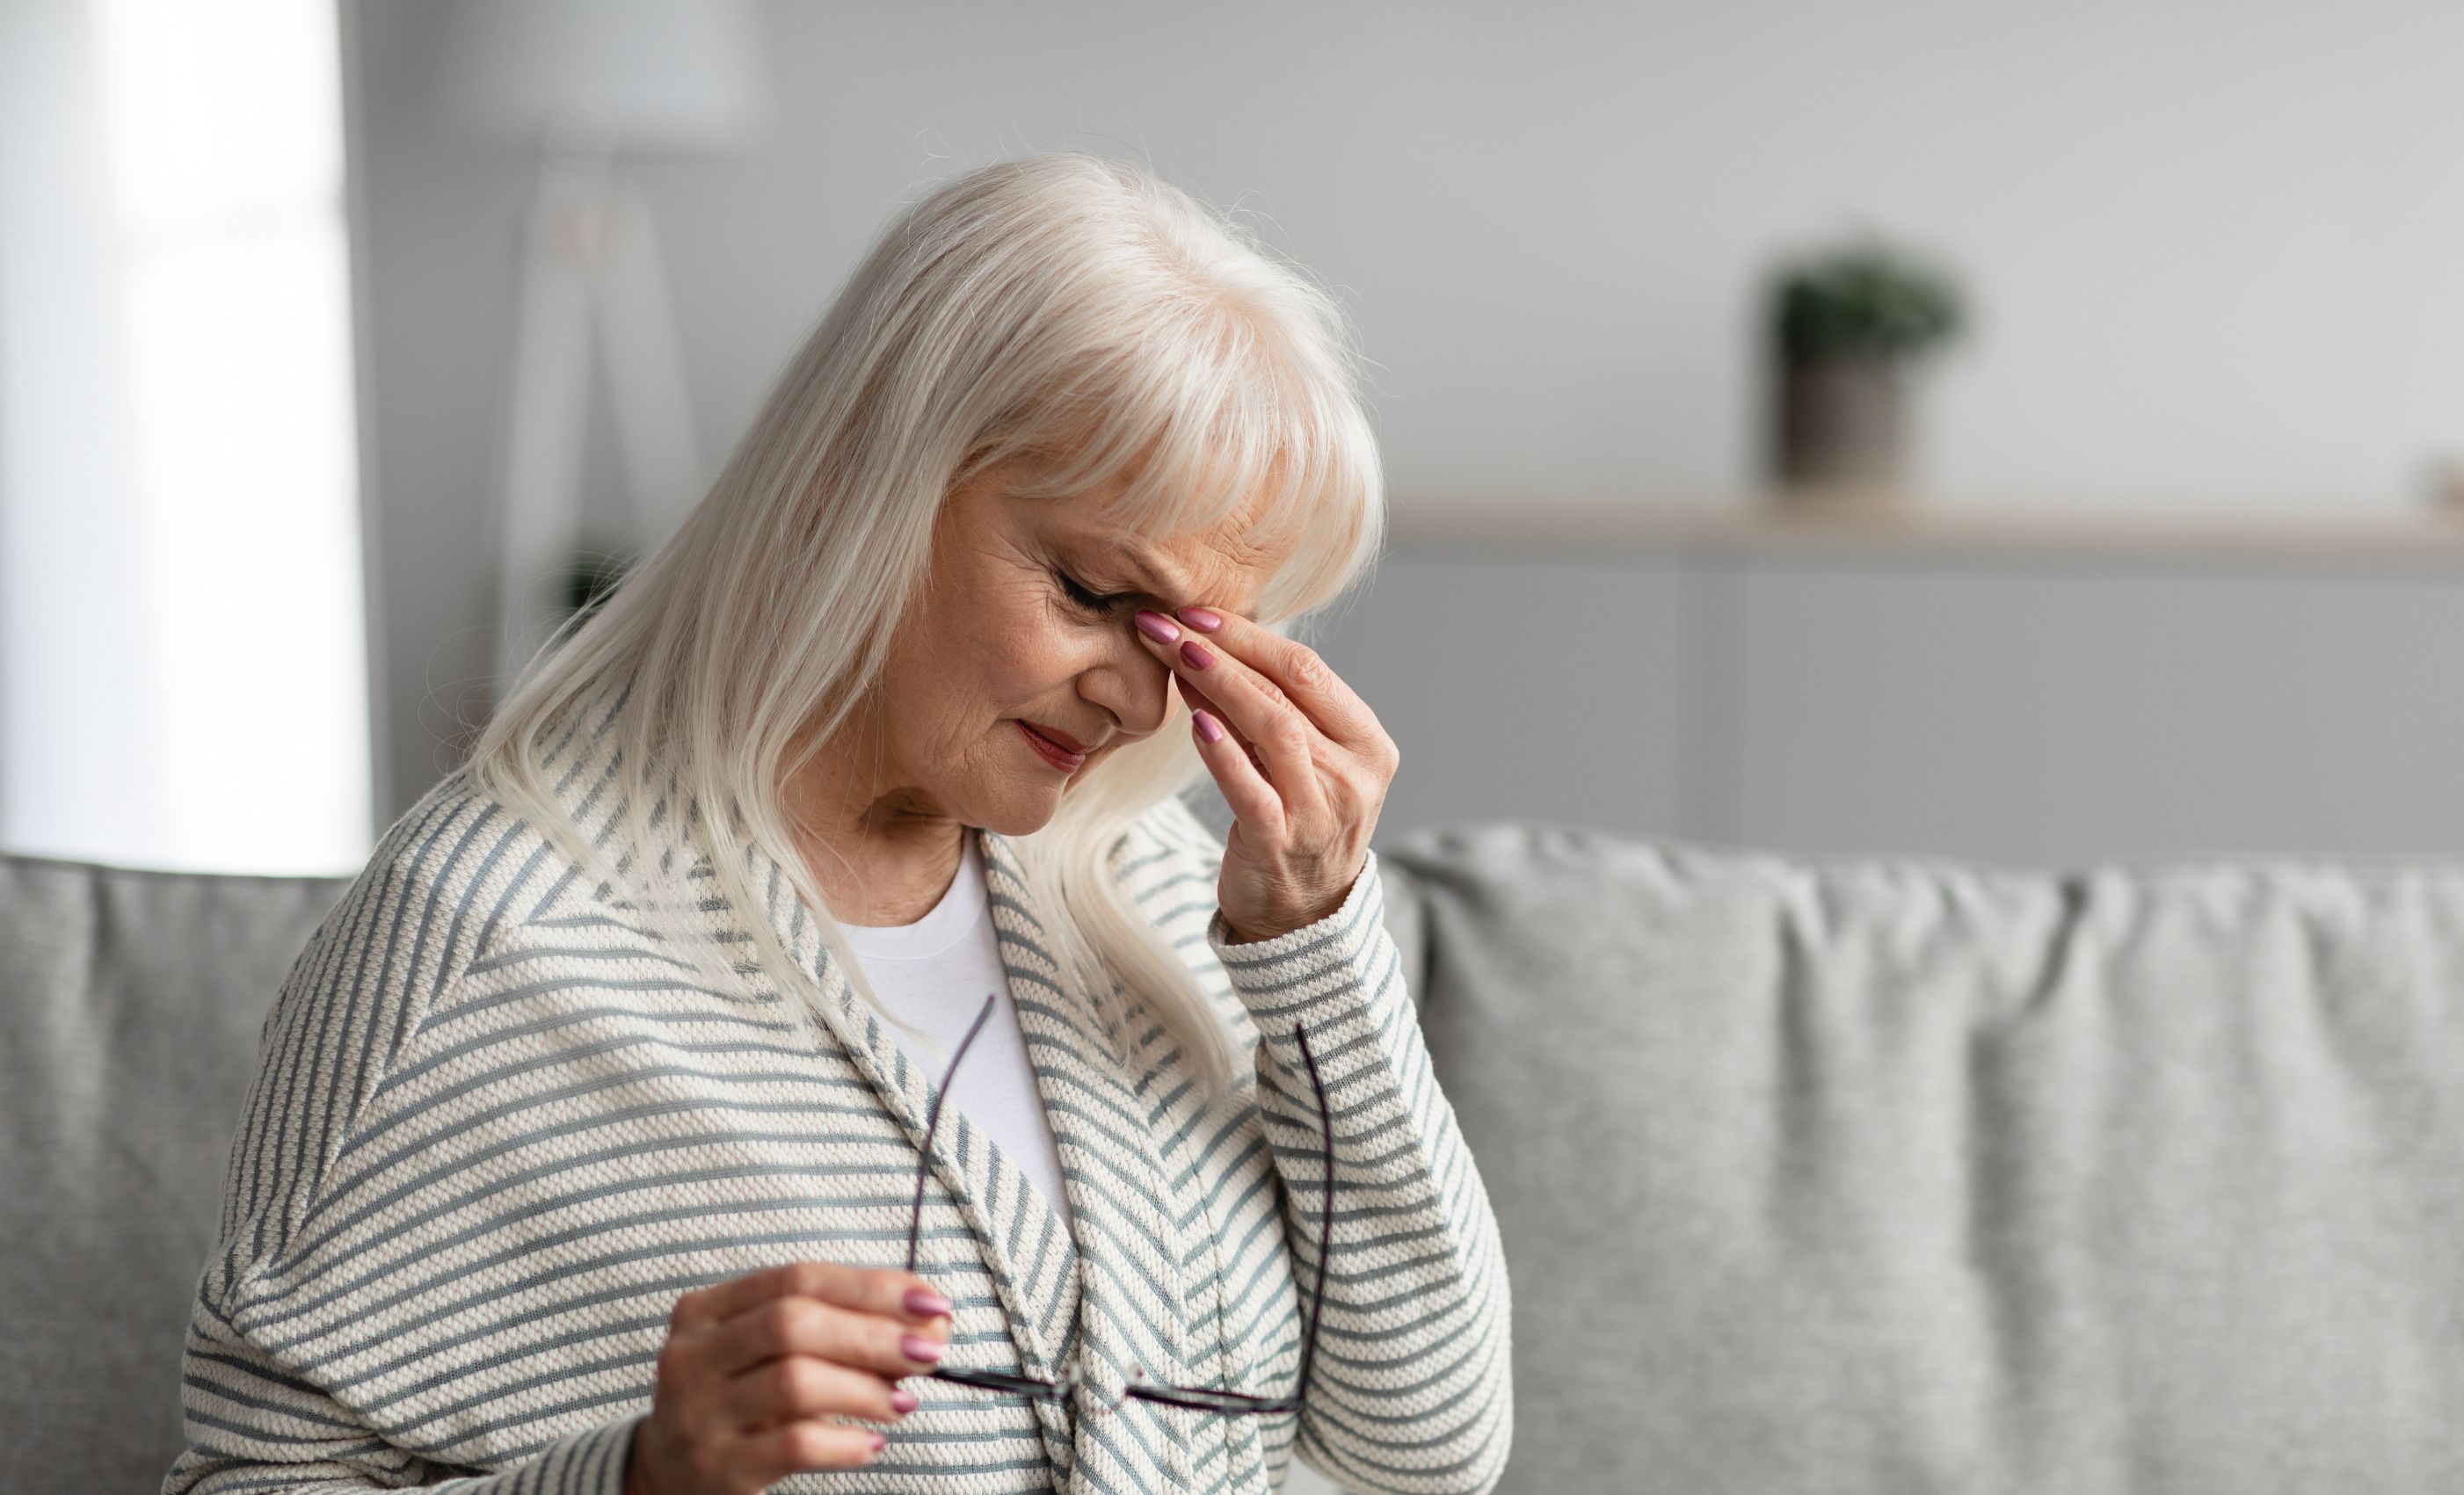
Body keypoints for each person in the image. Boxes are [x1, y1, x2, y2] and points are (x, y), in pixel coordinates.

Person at [163, 153, 1512, 1495]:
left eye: (1198, 640)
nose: (1141, 700)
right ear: (857, 470)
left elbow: (1432, 1450)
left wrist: (1322, 958)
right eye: (1095, 592)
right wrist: (639, 1480)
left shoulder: (1167, 897)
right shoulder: (484, 944)